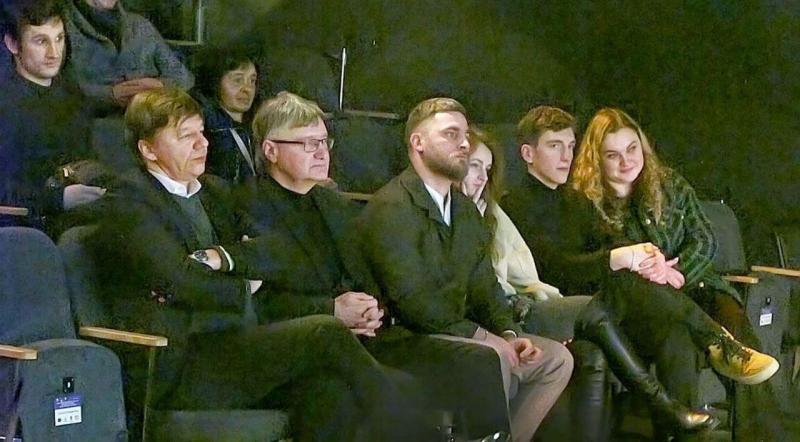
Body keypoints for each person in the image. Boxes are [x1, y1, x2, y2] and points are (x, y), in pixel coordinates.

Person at [86, 87, 427, 442]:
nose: (203, 144)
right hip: (178, 361)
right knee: (324, 332)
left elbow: (277, 254)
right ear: (148, 149)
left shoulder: (215, 192)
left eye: (202, 132)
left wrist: (222, 258)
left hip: (232, 344)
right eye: (186, 136)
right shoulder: (128, 200)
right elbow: (182, 282)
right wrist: (244, 283)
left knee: (328, 391)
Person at [195, 91, 510, 440]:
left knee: (475, 361)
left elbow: (363, 274)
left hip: (358, 336)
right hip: (293, 342)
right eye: (307, 143)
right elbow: (258, 300)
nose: (321, 152)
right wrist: (332, 309)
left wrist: (370, 309)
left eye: (324, 141)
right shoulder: (247, 207)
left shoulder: (333, 204)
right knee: (340, 395)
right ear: (271, 151)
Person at [462, 127, 724, 439]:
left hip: (564, 302)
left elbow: (610, 241)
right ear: (528, 154)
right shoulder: (515, 204)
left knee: (673, 331)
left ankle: (680, 422)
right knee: (607, 298)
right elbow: (548, 269)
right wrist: (617, 259)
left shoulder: (571, 201)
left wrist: (646, 258)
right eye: (555, 146)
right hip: (541, 305)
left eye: (570, 146)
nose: (566, 156)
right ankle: (700, 361)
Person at [359, 97, 573, 442]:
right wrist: (483, 337)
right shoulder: (392, 207)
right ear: (418, 142)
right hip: (406, 337)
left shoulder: (464, 209)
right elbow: (414, 303)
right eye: (450, 134)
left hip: (457, 332)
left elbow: (485, 286)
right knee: (490, 358)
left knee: (556, 359)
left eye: (464, 135)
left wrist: (509, 333)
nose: (463, 143)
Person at [571, 107, 783, 438]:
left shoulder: (668, 183)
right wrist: (655, 273)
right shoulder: (588, 203)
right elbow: (611, 269)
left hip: (697, 284)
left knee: (741, 335)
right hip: (646, 306)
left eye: (632, 149)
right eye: (613, 155)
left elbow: (705, 238)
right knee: (677, 340)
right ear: (596, 159)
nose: (626, 161)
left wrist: (679, 271)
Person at [0, 0, 107, 231]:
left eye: (59, 39)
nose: (54, 53)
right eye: (41, 41)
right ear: (12, 44)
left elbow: (87, 156)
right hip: (26, 227)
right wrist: (58, 199)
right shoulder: (5, 105)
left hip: (78, 213)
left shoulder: (72, 93)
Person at [63, 0, 193, 111]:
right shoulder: (61, 28)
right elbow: (59, 89)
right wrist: (111, 94)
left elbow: (183, 76)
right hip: (93, 123)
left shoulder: (140, 25)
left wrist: (159, 86)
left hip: (153, 116)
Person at [192, 47, 258, 183]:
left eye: (252, 81)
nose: (247, 89)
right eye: (238, 80)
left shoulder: (259, 122)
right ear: (215, 82)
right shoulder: (202, 124)